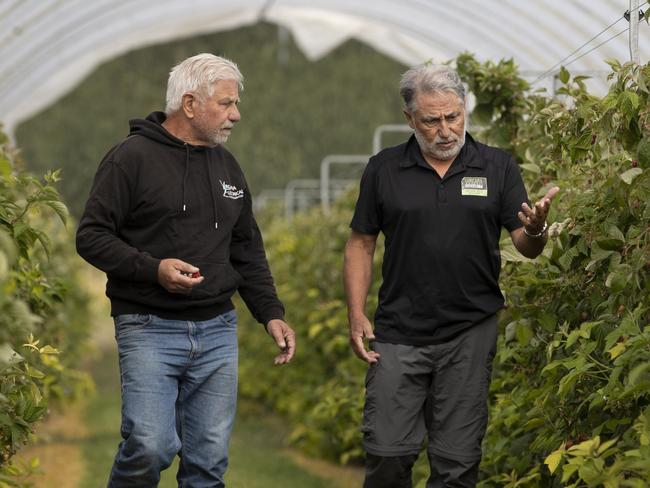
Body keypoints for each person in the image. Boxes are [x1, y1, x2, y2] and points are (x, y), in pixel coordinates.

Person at [76, 53, 296, 487]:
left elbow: (246, 249)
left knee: (208, 462)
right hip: (147, 326)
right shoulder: (130, 158)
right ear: (190, 104)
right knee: (150, 446)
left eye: (236, 104)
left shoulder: (228, 166)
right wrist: (153, 269)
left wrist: (271, 312)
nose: (237, 114)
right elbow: (92, 236)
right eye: (227, 103)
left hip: (216, 330)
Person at [343, 63, 559, 487]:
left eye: (453, 117)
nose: (445, 130)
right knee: (387, 456)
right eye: (432, 120)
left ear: (464, 110)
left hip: (469, 331)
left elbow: (525, 244)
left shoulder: (496, 167)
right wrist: (356, 312)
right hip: (399, 330)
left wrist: (536, 230)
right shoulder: (384, 169)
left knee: (457, 466)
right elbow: (361, 243)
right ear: (410, 118)